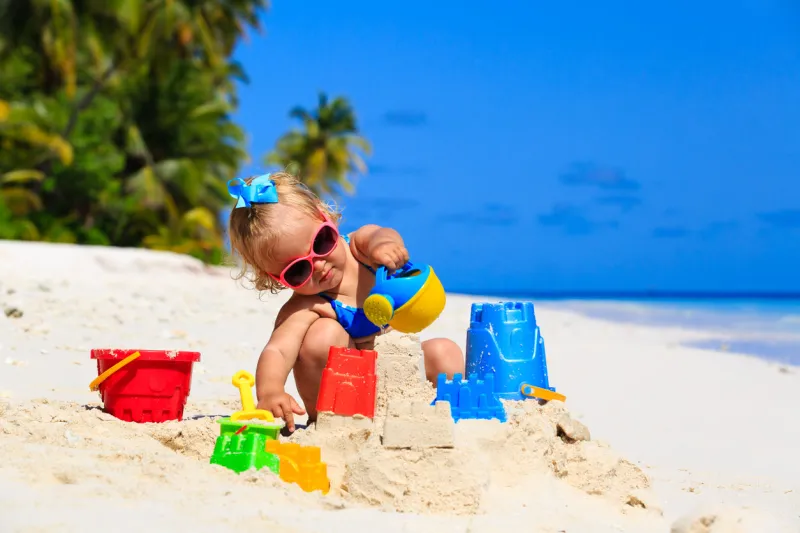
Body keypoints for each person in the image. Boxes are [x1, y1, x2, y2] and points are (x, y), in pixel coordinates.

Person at [227, 172, 464, 432]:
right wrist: (270, 391)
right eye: (297, 270)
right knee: (322, 334)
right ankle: (330, 421)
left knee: (444, 350)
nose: (318, 265)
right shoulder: (306, 305)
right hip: (343, 396)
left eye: (321, 242)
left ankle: (454, 415)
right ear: (275, 278)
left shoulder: (363, 252)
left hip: (396, 375)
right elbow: (278, 351)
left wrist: (385, 246)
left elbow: (379, 234)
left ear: (325, 218)